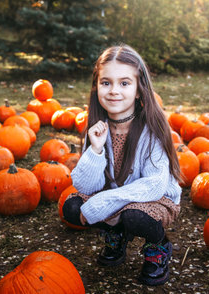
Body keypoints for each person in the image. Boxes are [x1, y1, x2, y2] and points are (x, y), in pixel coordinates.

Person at [62, 44, 182, 286]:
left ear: (139, 90)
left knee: (134, 216)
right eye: (106, 83)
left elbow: (154, 184)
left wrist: (104, 203)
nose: (114, 91)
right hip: (116, 196)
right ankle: (116, 236)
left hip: (154, 198)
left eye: (124, 83)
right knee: (72, 207)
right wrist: (95, 150)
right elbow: (85, 185)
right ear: (97, 87)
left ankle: (158, 249)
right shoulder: (97, 127)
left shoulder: (152, 130)